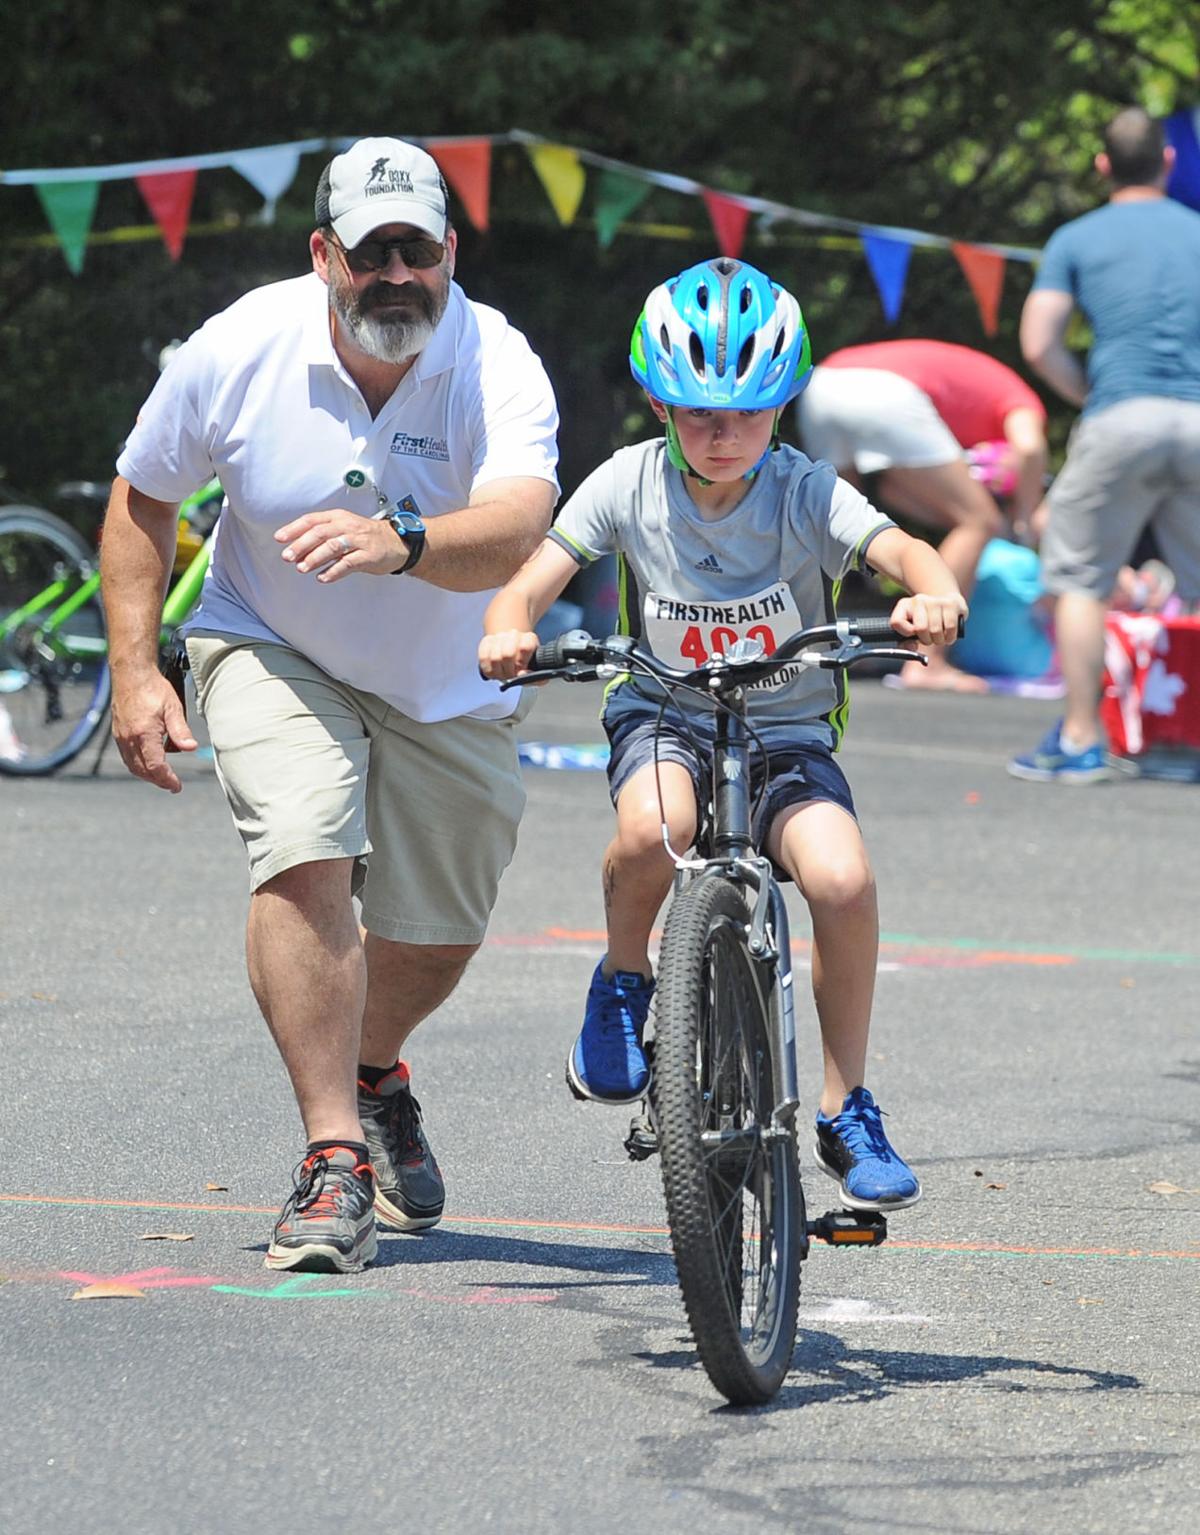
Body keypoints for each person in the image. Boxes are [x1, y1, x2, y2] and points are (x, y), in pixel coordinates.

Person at [102, 137, 559, 1271]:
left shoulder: (497, 359)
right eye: (374, 253)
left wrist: (401, 542)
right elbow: (142, 497)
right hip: (271, 636)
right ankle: (334, 1155)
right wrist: (134, 667)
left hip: (448, 680)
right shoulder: (241, 346)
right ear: (325, 256)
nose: (398, 275)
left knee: (437, 934)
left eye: (420, 250)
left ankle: (374, 1064)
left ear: (451, 252)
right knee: (304, 848)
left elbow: (517, 523)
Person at [479, 257, 969, 1211]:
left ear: (780, 407)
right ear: (660, 401)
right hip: (665, 711)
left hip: (784, 729)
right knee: (650, 827)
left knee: (842, 878)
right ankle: (626, 978)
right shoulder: (625, 483)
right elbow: (534, 574)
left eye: (745, 412)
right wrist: (509, 624)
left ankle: (844, 1105)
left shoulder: (804, 489)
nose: (721, 432)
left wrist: (933, 585)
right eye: (699, 410)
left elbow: (898, 548)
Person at [1009, 106, 1200, 783]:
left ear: (1102, 165)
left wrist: (1090, 395)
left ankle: (1084, 739)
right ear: (1169, 162)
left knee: (1082, 580)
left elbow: (1038, 342)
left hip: (1121, 417)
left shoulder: (1076, 237)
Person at [796, 339, 1049, 691]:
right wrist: (1025, 516)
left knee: (829, 524)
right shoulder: (1022, 400)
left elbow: (892, 492)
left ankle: (796, 651)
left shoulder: (970, 398)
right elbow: (1030, 447)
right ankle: (929, 663)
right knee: (979, 521)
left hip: (821, 385)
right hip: (887, 392)